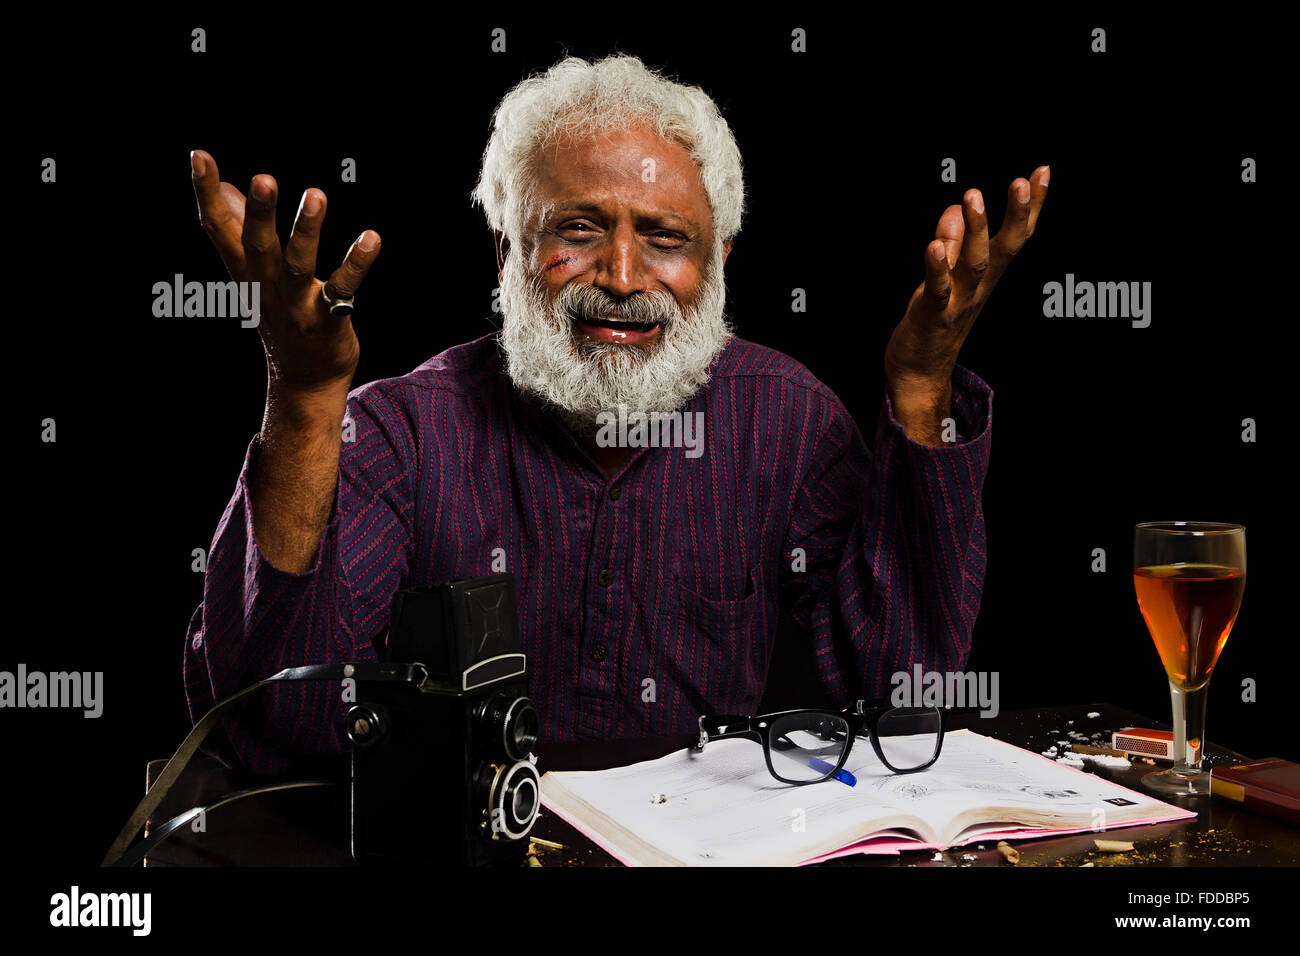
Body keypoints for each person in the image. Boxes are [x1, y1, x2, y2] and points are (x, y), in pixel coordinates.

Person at [183, 54, 1047, 773]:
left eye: (665, 237)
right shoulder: (400, 434)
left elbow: (900, 700)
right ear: (507, 247)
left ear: (719, 260)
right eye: (580, 231)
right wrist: (300, 395)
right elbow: (270, 729)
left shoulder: (791, 427)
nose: (625, 277)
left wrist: (925, 388)